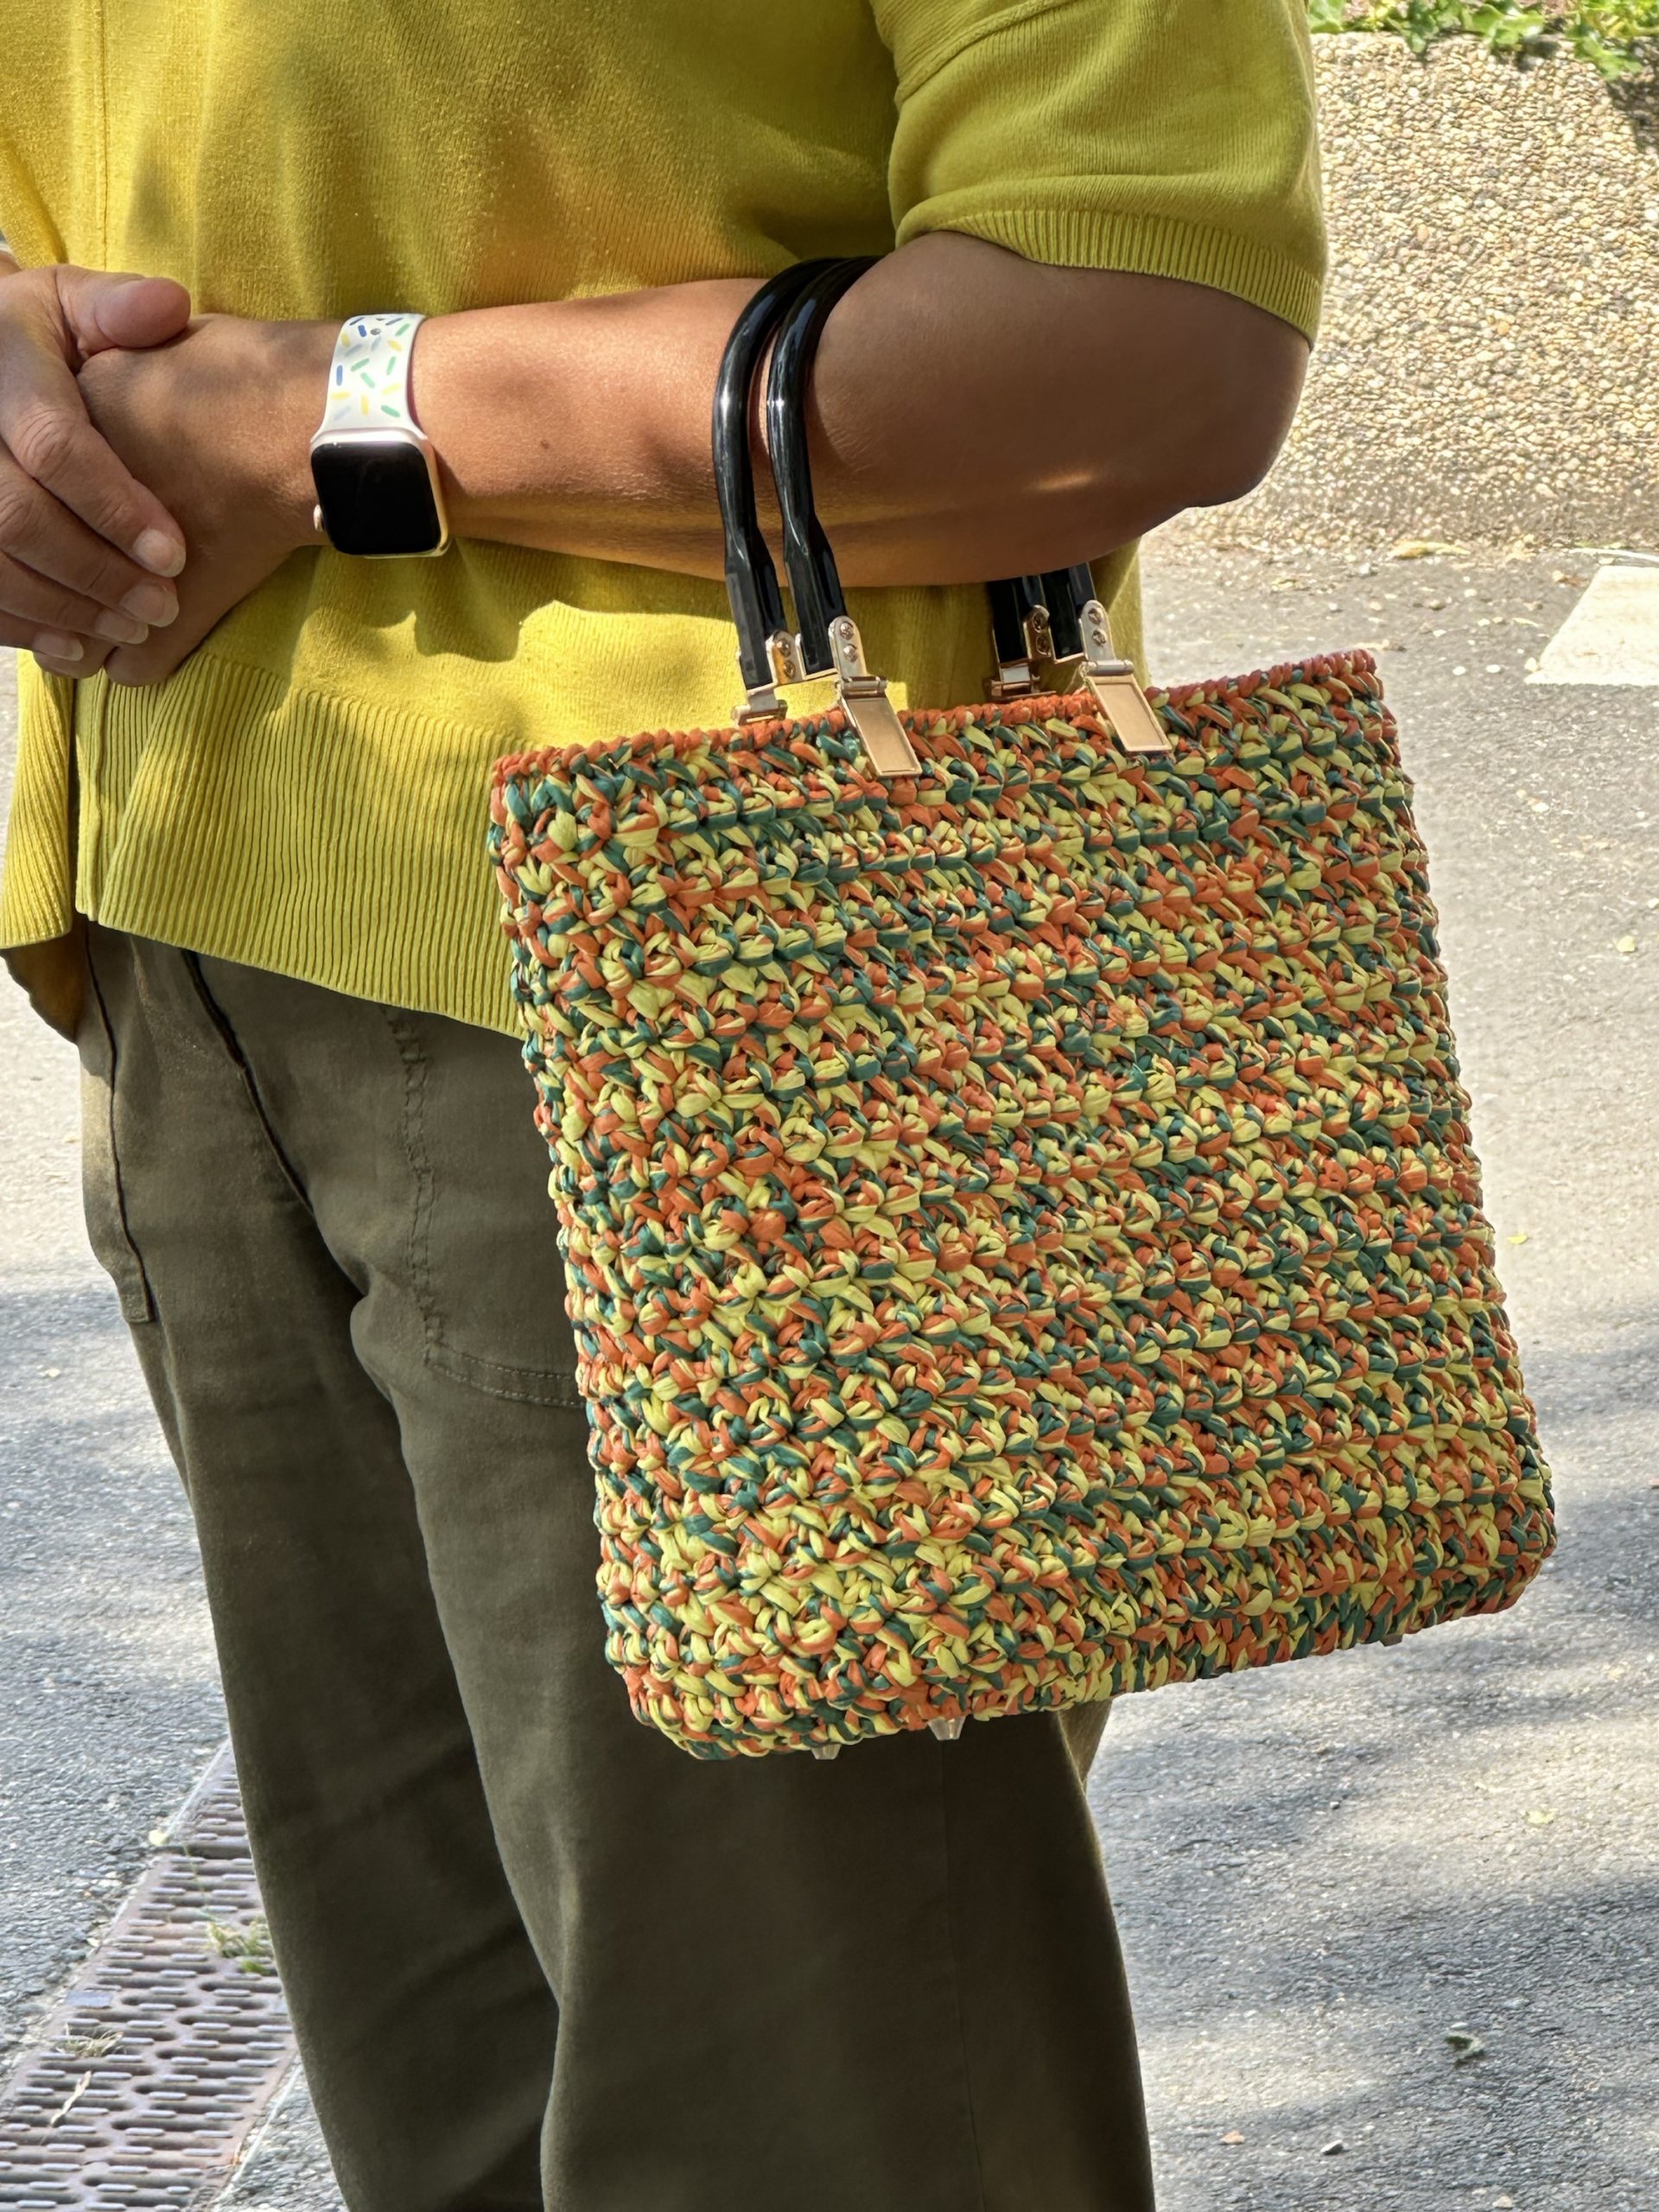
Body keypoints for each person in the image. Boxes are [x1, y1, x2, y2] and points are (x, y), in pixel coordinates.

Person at [0, 6, 1324, 2207]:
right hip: (187, 929)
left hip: (722, 981)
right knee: (461, 2124)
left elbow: (1147, 330)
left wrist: (323, 414)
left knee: (817, 2132)